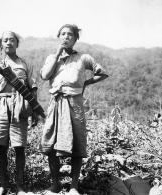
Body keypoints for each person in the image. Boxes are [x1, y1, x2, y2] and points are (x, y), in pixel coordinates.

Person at [40, 24, 108, 195]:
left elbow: (102, 73)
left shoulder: (83, 58)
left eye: (70, 34)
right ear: (58, 37)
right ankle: (55, 184)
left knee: (77, 143)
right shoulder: (51, 58)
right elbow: (44, 76)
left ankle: (74, 186)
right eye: (62, 34)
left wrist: (86, 82)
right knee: (52, 143)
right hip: (56, 103)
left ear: (76, 38)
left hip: (75, 105)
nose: (66, 37)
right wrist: (56, 55)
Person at [0, 31, 38, 195]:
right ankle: (3, 186)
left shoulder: (25, 64)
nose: (8, 43)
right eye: (5, 40)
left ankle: (19, 187)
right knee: (1, 147)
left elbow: (32, 88)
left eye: (12, 40)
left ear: (17, 43)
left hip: (20, 105)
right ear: (1, 44)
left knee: (19, 147)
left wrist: (35, 112)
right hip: (1, 105)